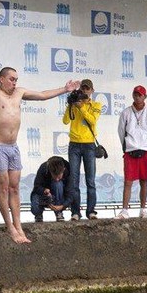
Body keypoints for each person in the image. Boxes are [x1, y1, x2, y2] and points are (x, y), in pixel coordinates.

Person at [0, 58, 79, 243]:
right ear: (2, 79)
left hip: (13, 147)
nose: (14, 82)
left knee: (15, 188)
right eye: (11, 79)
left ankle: (19, 226)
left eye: (16, 79)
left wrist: (64, 89)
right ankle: (10, 227)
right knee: (3, 188)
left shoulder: (19, 93)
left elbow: (42, 95)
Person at [115, 85, 147, 219]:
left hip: (145, 149)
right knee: (128, 181)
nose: (137, 97)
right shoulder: (126, 112)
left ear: (145, 97)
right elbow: (121, 131)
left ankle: (143, 209)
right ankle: (124, 210)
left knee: (144, 181)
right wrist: (127, 145)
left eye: (140, 95)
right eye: (135, 94)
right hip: (130, 150)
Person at [62, 79, 102, 221]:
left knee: (90, 180)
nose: (85, 90)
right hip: (74, 145)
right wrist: (71, 105)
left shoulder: (96, 105)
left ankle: (91, 211)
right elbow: (65, 121)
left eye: (87, 88)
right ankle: (75, 212)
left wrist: (82, 107)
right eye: (83, 88)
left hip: (89, 145)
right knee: (74, 180)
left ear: (92, 90)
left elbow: (92, 120)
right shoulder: (75, 103)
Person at [30, 156, 74, 222]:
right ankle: (38, 214)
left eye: (59, 177)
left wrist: (62, 206)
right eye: (54, 176)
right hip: (43, 195)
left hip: (59, 195)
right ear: (50, 171)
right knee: (35, 209)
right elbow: (36, 187)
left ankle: (59, 212)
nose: (56, 179)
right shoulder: (43, 168)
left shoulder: (69, 170)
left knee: (58, 184)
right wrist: (44, 190)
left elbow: (71, 193)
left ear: (63, 170)